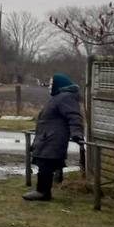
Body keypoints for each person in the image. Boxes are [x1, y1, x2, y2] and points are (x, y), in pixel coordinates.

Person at [24, 73, 84, 202]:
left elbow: (74, 116)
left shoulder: (65, 98)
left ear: (59, 85)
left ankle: (43, 192)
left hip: (53, 139)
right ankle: (42, 191)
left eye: (52, 84)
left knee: (46, 165)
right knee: (44, 164)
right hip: (47, 138)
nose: (49, 87)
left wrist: (77, 133)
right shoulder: (59, 97)